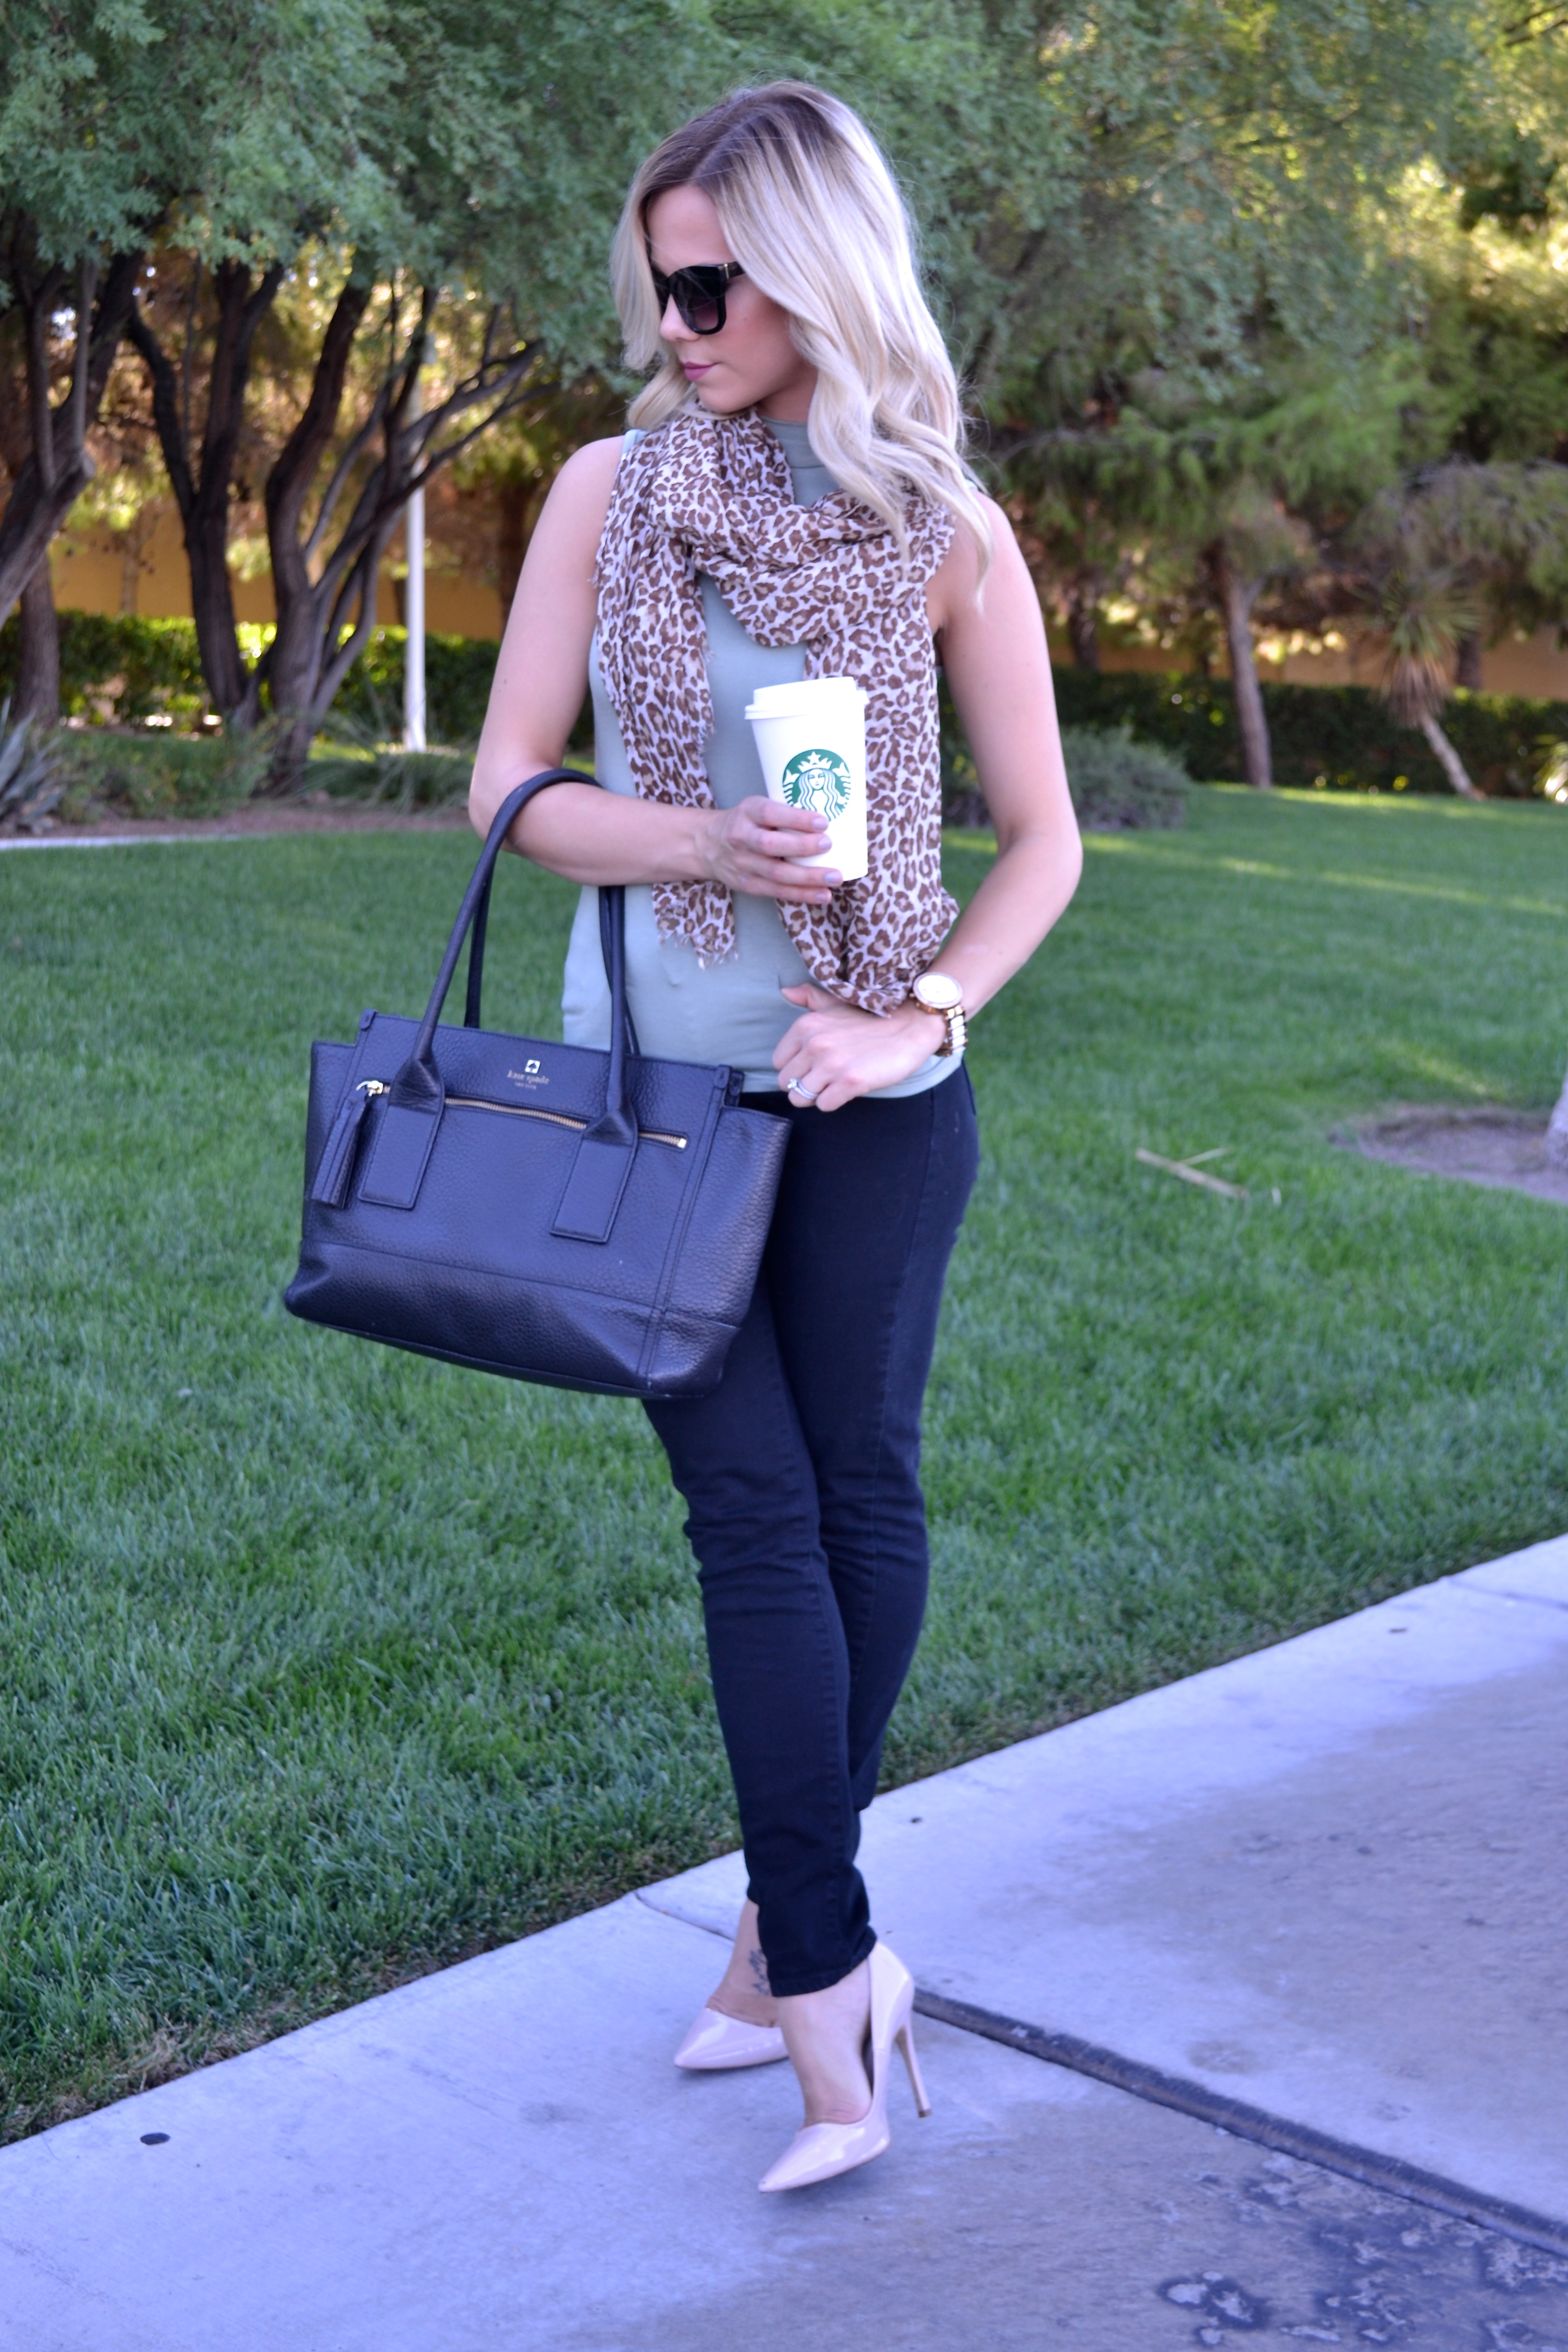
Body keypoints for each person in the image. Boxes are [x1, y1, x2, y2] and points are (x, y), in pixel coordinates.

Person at [469, 80, 1081, 2193]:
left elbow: (1043, 843)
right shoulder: (607, 491)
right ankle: (836, 1979)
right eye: (660, 287)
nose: (676, 324)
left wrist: (919, 1011)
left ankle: (771, 1951)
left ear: (819, 276)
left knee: (857, 1496)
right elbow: (508, 786)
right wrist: (697, 842)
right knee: (752, 1513)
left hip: (880, 1101)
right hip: (659, 1097)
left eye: (714, 286)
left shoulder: (946, 529)